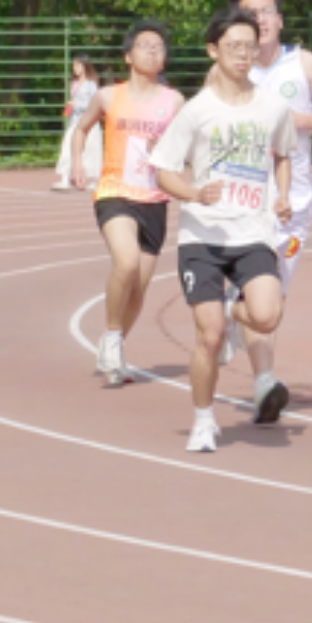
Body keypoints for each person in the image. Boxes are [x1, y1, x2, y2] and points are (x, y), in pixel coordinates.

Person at [150, 6, 298, 455]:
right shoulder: (197, 111)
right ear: (213, 50)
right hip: (203, 236)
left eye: (250, 47)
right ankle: (203, 419)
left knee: (267, 315)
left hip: (253, 231)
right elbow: (163, 170)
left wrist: (282, 195)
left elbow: (283, 154)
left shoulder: (273, 106)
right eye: (234, 46)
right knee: (209, 335)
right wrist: (195, 194)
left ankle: (236, 310)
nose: (243, 54)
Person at [228, 0, 312, 422]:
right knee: (258, 293)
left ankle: (228, 312)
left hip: (293, 203)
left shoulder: (304, 63)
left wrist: (296, 119)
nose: (259, 19)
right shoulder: (229, 70)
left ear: (279, 20)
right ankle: (265, 383)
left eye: (266, 11)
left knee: (272, 303)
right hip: (243, 200)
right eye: (250, 13)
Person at [86, 22, 184, 384]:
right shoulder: (108, 96)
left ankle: (114, 346)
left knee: (139, 288)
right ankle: (112, 336)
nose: (152, 51)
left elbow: (187, 146)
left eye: (159, 47)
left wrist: (171, 153)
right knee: (125, 263)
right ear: (128, 56)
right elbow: (81, 128)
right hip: (115, 192)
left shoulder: (174, 102)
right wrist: (78, 162)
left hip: (154, 198)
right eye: (144, 45)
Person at [52, 54, 100, 191]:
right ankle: (65, 178)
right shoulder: (74, 83)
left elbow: (94, 103)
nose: (75, 68)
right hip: (75, 122)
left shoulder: (91, 84)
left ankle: (95, 180)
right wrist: (70, 109)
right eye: (74, 65)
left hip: (89, 122)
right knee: (68, 146)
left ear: (85, 66)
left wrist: (77, 104)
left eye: (78, 65)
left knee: (92, 150)